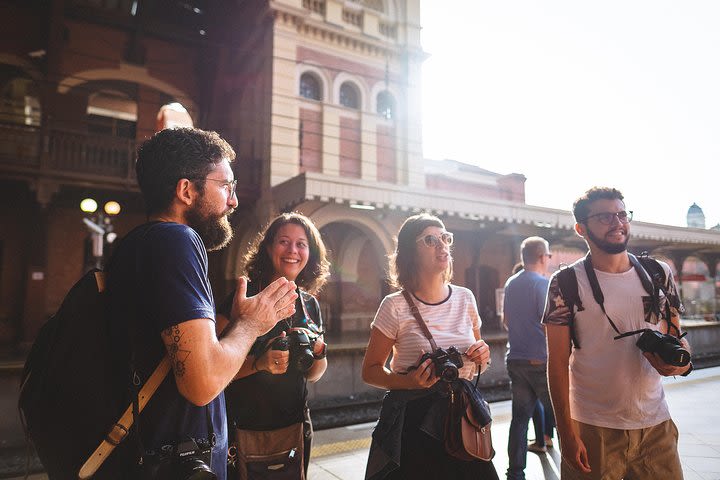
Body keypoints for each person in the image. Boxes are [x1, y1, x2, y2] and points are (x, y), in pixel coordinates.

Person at [104, 127, 298, 479]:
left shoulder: (134, 246)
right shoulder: (177, 240)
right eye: (226, 186)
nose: (234, 201)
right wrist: (252, 324)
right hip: (174, 464)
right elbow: (201, 382)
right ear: (186, 190)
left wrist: (237, 324)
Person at [543, 187, 691, 479]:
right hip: (592, 427)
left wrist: (682, 363)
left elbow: (679, 336)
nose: (617, 222)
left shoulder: (658, 273)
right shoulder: (566, 283)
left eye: (622, 214)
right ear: (581, 228)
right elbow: (557, 363)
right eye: (604, 216)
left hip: (655, 425)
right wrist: (567, 434)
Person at [362, 213, 499, 480]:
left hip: (463, 417)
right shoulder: (394, 306)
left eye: (445, 238)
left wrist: (484, 356)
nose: (442, 245)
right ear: (409, 252)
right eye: (430, 240)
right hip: (415, 422)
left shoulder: (465, 298)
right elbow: (369, 371)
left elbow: (480, 358)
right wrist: (410, 381)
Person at [217, 212, 330, 477]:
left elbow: (314, 375)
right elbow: (213, 368)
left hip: (295, 428)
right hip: (245, 429)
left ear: (310, 252)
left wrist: (318, 351)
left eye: (301, 244)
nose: (293, 250)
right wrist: (259, 364)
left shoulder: (309, 304)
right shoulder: (243, 299)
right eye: (284, 241)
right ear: (268, 248)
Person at [503, 237, 555, 480]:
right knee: (562, 417)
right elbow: (551, 327)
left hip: (515, 359)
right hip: (540, 362)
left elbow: (506, 321)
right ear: (543, 257)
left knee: (520, 420)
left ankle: (515, 473)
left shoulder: (511, 283)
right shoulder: (542, 284)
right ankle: (578, 470)